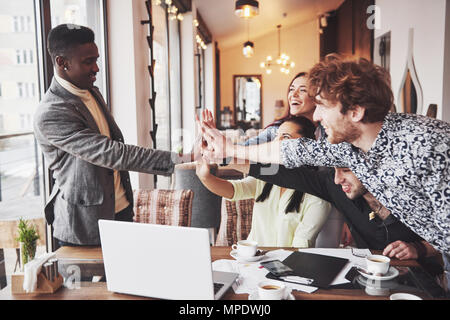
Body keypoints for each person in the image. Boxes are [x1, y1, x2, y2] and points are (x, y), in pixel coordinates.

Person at [200, 54, 450, 288]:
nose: (316, 116)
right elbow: (292, 151)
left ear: (356, 112)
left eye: (322, 106)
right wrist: (229, 148)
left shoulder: (428, 145)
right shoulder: (350, 146)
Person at [33, 24, 198, 246]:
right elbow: (112, 153)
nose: (96, 68)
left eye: (96, 59)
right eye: (88, 62)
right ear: (62, 63)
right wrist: (180, 159)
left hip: (120, 210)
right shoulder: (51, 112)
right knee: (89, 283)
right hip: (83, 226)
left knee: (125, 280)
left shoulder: (92, 91)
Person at [229, 162, 438, 260]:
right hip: (369, 278)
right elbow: (280, 173)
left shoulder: (411, 189)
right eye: (335, 171)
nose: (338, 180)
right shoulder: (333, 184)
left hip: (420, 278)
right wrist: (229, 155)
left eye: (346, 170)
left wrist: (420, 248)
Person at [196, 117, 331, 248]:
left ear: (305, 148)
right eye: (276, 137)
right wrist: (205, 177)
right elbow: (234, 190)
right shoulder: (268, 177)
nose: (276, 143)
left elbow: (300, 248)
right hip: (253, 261)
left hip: (287, 266)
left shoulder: (317, 198)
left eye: (285, 137)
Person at [243, 72, 322, 146]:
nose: (293, 95)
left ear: (317, 97)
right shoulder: (278, 129)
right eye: (291, 89)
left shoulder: (327, 130)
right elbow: (244, 149)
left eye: (302, 90)